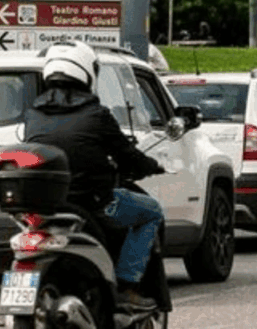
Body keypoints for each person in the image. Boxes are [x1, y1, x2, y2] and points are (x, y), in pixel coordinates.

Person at [23, 41, 166, 310]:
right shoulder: (97, 115)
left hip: (47, 205)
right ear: (88, 72)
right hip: (95, 203)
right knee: (151, 212)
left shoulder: (33, 114)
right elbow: (127, 154)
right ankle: (128, 285)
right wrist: (150, 165)